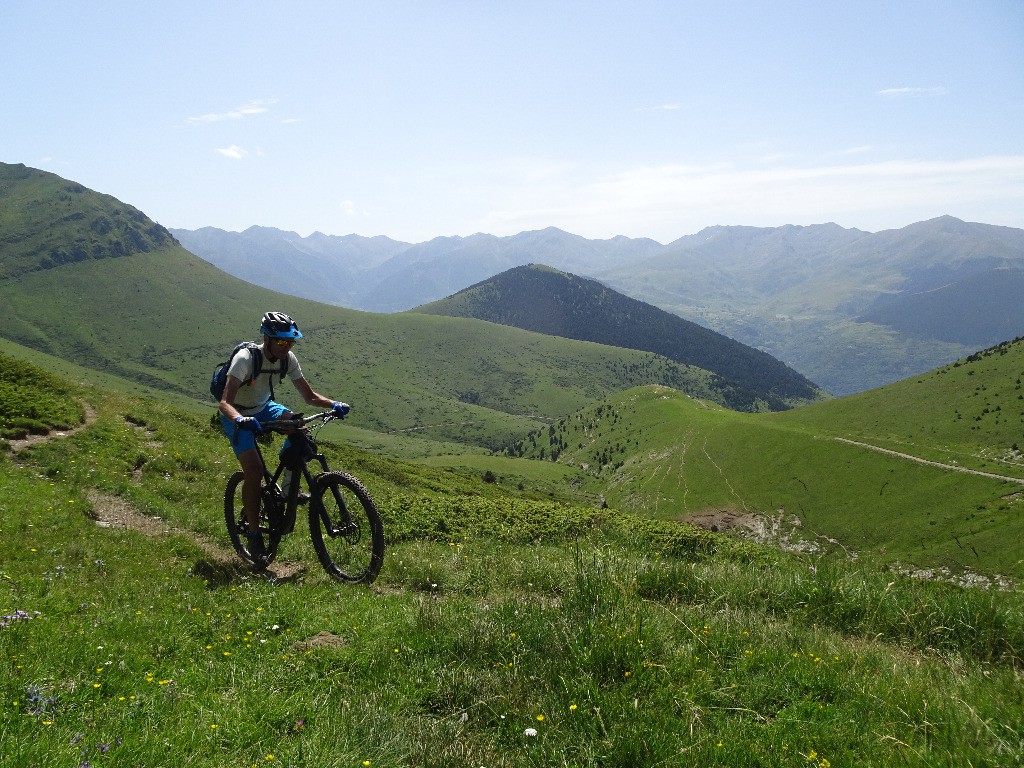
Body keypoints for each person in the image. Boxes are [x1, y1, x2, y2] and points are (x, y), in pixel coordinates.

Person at [218, 311, 350, 562]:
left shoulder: (288, 359)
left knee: (300, 431)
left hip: (264, 407)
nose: (286, 347)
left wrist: (334, 403)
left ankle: (289, 491)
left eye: (290, 342)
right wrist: (240, 420)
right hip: (237, 415)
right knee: (254, 472)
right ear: (266, 338)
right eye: (281, 342)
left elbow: (309, 396)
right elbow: (225, 402)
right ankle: (254, 535)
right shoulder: (245, 359)